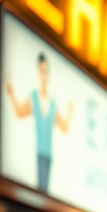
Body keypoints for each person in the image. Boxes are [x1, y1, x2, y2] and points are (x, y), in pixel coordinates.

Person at [5, 53, 73, 193]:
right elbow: (19, 112)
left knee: (44, 194)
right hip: (37, 155)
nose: (44, 75)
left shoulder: (52, 103)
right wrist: (11, 94)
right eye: (42, 71)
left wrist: (70, 112)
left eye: (46, 71)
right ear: (38, 72)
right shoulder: (34, 98)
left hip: (48, 156)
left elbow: (64, 128)